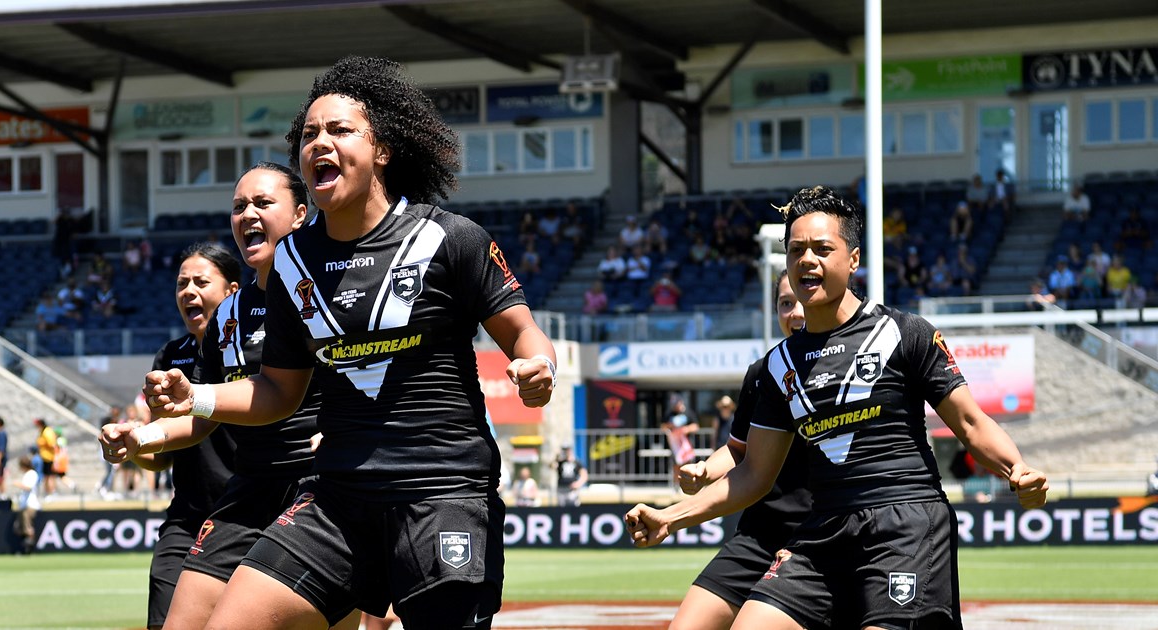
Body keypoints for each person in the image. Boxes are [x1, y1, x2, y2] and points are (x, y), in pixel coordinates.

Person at [139, 57, 556, 629]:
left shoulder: (450, 238)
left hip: (442, 492)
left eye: (339, 130)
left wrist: (539, 368)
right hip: (336, 498)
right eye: (309, 135)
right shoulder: (292, 260)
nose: (320, 144)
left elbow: (524, 332)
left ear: (381, 150)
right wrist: (199, 398)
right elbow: (278, 392)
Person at [625, 185, 1049, 630]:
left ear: (853, 259)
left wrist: (1015, 469)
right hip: (822, 531)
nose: (807, 259)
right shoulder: (777, 367)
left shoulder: (906, 333)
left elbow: (970, 423)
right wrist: (670, 517)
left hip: (904, 521)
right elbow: (753, 475)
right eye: (797, 250)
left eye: (823, 249)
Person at [105, 164, 325, 630]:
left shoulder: (326, 294)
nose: (248, 214)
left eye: (263, 203)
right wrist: (139, 438)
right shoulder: (230, 316)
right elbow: (200, 418)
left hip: (318, 488)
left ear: (301, 214)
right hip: (248, 489)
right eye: (238, 206)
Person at [666, 274, 810, 630]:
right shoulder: (762, 373)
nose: (795, 312)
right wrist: (704, 469)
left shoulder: (848, 370)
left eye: (802, 300)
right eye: (785, 303)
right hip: (759, 533)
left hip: (818, 535)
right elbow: (737, 449)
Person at [122, 241, 242, 629]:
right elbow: (162, 453)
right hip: (189, 518)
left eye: (201, 282)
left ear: (232, 291)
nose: (188, 291)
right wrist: (134, 444)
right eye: (181, 284)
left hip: (252, 514)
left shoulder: (260, 350)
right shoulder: (170, 358)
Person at [12, 457, 42, 553]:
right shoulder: (27, 474)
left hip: (30, 504)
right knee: (20, 527)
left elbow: (28, 487)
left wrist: (18, 484)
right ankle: (23, 548)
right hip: (24, 505)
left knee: (27, 527)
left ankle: (30, 549)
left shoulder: (32, 474)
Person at [35, 418, 60, 496]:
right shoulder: (44, 431)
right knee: (48, 476)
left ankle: (50, 492)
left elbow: (51, 444)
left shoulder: (47, 431)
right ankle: (49, 492)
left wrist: (42, 443)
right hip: (46, 457)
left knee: (48, 476)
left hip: (48, 457)